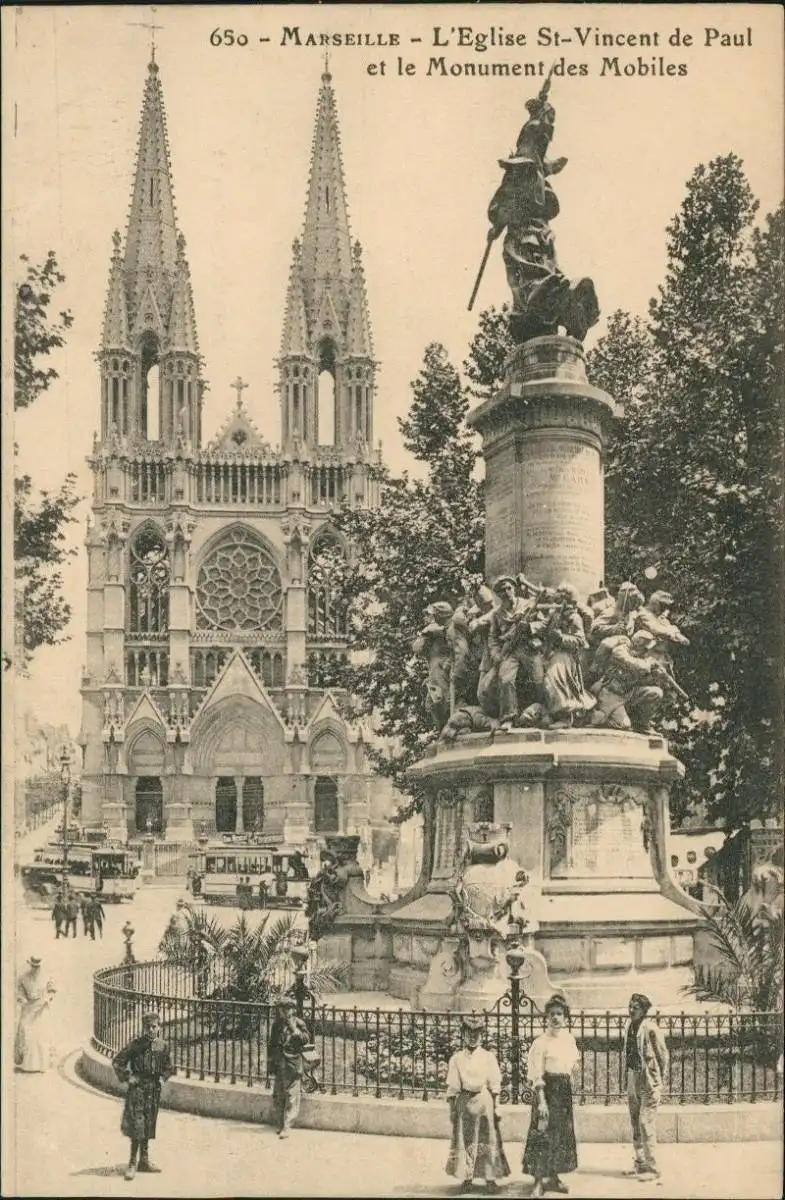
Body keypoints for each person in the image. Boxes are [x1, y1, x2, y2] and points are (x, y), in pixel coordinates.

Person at [444, 1013, 510, 1194]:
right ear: (463, 1035)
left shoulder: (488, 1057)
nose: (472, 1037)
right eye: (468, 1033)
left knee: (488, 1139)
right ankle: (467, 1178)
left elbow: (495, 1083)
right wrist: (452, 1110)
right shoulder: (457, 1059)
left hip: (484, 1102)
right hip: (465, 1103)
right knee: (466, 1140)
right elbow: (453, 1086)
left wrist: (496, 1106)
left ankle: (490, 1178)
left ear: (482, 1035)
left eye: (477, 1034)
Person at [522, 993, 579, 1197]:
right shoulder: (540, 1043)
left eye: (559, 1014)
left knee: (560, 1135)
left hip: (563, 1093)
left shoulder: (569, 1040)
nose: (555, 1018)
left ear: (565, 1018)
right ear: (546, 1018)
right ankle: (538, 1181)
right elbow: (536, 1074)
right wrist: (542, 1102)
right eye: (552, 1014)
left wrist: (570, 1076)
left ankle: (553, 1178)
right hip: (546, 1091)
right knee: (542, 1135)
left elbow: (573, 1063)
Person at [112, 1010, 175, 1180]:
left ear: (159, 1027)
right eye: (147, 1027)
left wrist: (163, 1078)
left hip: (153, 1089)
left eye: (154, 1026)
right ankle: (132, 1163)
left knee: (148, 1123)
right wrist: (128, 1077)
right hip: (138, 1089)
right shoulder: (135, 1045)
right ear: (143, 1028)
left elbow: (169, 1067)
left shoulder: (163, 1046)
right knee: (137, 1125)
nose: (151, 1030)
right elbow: (118, 1062)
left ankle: (144, 1161)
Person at [624, 992, 669, 1182]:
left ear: (644, 1010)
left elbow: (663, 1055)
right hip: (633, 1078)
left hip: (649, 1081)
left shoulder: (651, 1029)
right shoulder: (629, 1027)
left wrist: (658, 1079)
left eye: (636, 1007)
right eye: (630, 1006)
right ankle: (640, 1162)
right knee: (635, 1120)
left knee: (645, 1122)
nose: (632, 1010)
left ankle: (653, 1167)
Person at [267, 997, 312, 1138]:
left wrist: (294, 1030)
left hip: (293, 1064)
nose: (284, 1012)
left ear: (293, 1010)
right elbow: (272, 1044)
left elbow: (305, 1039)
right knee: (278, 1095)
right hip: (279, 1063)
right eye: (282, 1009)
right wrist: (270, 1062)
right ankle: (280, 1124)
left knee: (292, 1097)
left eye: (287, 1009)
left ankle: (287, 1126)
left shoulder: (299, 1023)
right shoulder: (277, 1025)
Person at [15, 956, 56, 1072]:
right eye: (33, 966)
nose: (35, 968)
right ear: (30, 965)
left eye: (37, 966)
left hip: (42, 1008)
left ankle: (43, 1065)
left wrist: (49, 997)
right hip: (28, 1008)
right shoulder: (23, 978)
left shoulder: (47, 976)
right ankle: (28, 1065)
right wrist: (22, 999)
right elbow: (20, 993)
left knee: (41, 1035)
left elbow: (52, 989)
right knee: (28, 1035)